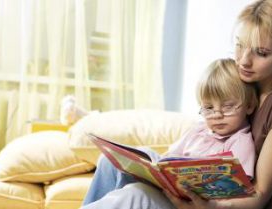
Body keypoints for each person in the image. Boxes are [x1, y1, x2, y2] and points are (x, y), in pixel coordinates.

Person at [165, 0, 272, 208]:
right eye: (239, 45)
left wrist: (206, 207)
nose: (243, 61)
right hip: (220, 203)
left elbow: (259, 194)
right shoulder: (249, 84)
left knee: (133, 197)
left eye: (261, 53)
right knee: (114, 172)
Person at [81, 58, 258, 208]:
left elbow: (235, 191)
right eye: (209, 108)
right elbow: (169, 158)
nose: (217, 115)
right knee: (109, 161)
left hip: (186, 205)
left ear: (249, 105)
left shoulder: (240, 142)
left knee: (135, 193)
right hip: (170, 192)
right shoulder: (199, 130)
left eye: (228, 107)